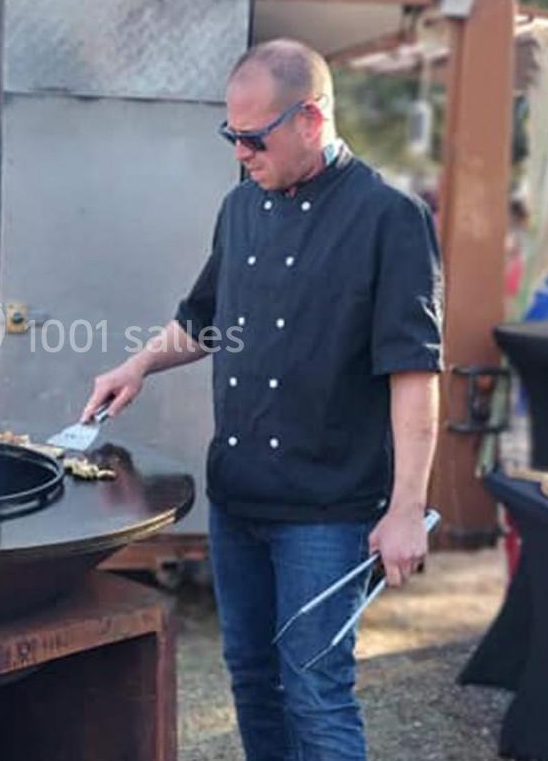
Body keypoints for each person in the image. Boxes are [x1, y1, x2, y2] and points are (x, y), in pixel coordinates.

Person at [80, 39, 443, 761]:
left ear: (310, 118)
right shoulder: (240, 208)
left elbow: (414, 375)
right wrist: (139, 366)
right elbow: (202, 320)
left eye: (252, 137)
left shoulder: (390, 220)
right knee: (250, 677)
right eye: (231, 135)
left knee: (316, 692)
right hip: (239, 501)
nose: (240, 152)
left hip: (328, 512)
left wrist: (406, 509)